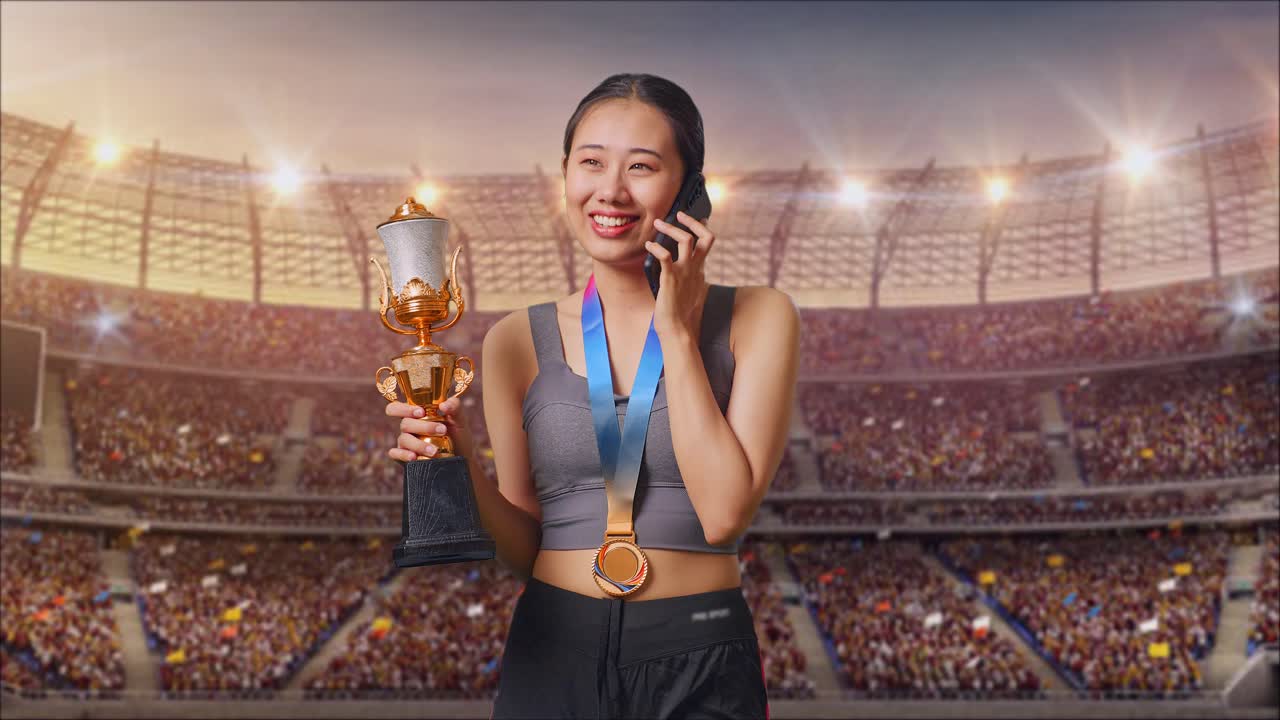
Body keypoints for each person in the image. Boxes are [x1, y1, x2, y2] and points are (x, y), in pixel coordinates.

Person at [386, 73, 800, 719]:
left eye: (642, 166)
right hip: (551, 647)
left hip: (699, 650)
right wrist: (457, 460)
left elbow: (722, 515)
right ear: (565, 177)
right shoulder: (514, 340)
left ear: (690, 188)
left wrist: (678, 332)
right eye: (591, 163)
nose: (610, 190)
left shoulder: (760, 317)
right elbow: (526, 549)